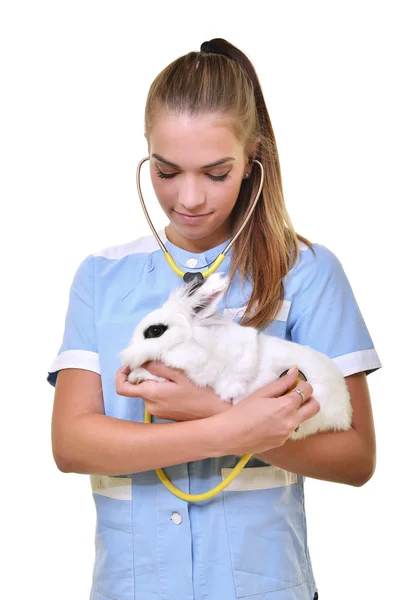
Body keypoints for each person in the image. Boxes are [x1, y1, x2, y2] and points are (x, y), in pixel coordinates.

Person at [47, 38, 382, 600]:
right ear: (145, 156)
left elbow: (355, 457)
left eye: (217, 173)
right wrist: (228, 429)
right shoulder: (100, 277)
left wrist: (212, 411)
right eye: (167, 170)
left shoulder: (308, 273)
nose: (190, 197)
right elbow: (72, 443)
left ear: (253, 160)